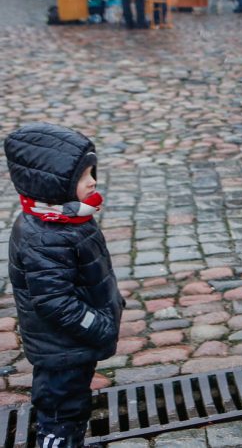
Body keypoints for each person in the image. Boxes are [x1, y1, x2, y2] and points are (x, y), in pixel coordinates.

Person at [4, 123, 123, 448]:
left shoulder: (67, 218)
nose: (93, 181)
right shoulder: (45, 237)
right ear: (54, 185)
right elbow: (54, 301)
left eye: (92, 172)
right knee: (60, 413)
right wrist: (97, 325)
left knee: (73, 403)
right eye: (84, 176)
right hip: (63, 348)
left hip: (72, 345)